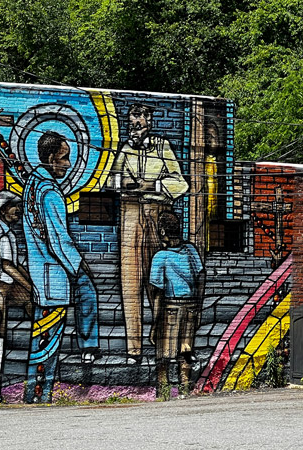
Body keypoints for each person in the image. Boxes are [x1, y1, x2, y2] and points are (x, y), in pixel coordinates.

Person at [23, 130, 100, 403]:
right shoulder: (50, 192)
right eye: (64, 158)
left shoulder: (33, 183)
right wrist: (80, 267)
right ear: (51, 158)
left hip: (41, 272)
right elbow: (58, 239)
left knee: (42, 339)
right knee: (47, 340)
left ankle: (36, 393)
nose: (68, 165)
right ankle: (40, 395)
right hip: (54, 276)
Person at [110, 103, 189, 363]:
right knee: (130, 282)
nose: (136, 129)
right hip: (130, 215)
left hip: (157, 215)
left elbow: (181, 183)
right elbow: (110, 181)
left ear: (149, 123)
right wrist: (126, 184)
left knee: (158, 282)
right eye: (132, 124)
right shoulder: (124, 149)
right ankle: (134, 349)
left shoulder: (162, 147)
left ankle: (159, 338)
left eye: (140, 123)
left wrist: (153, 184)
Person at [149, 211, 205, 394]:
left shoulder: (160, 257)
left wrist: (154, 324)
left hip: (170, 308)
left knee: (163, 354)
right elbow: (201, 278)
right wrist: (199, 307)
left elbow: (157, 294)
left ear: (163, 231)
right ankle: (184, 389)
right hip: (190, 307)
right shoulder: (190, 250)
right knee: (185, 351)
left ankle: (163, 391)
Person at [0, 190, 33, 336]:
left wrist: (29, 281)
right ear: (3, 210)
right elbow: (7, 266)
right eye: (14, 206)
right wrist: (28, 286)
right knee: (0, 323)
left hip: (9, 286)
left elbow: (15, 264)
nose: (18, 210)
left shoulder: (7, 232)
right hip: (1, 287)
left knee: (29, 300)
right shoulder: (1, 233)